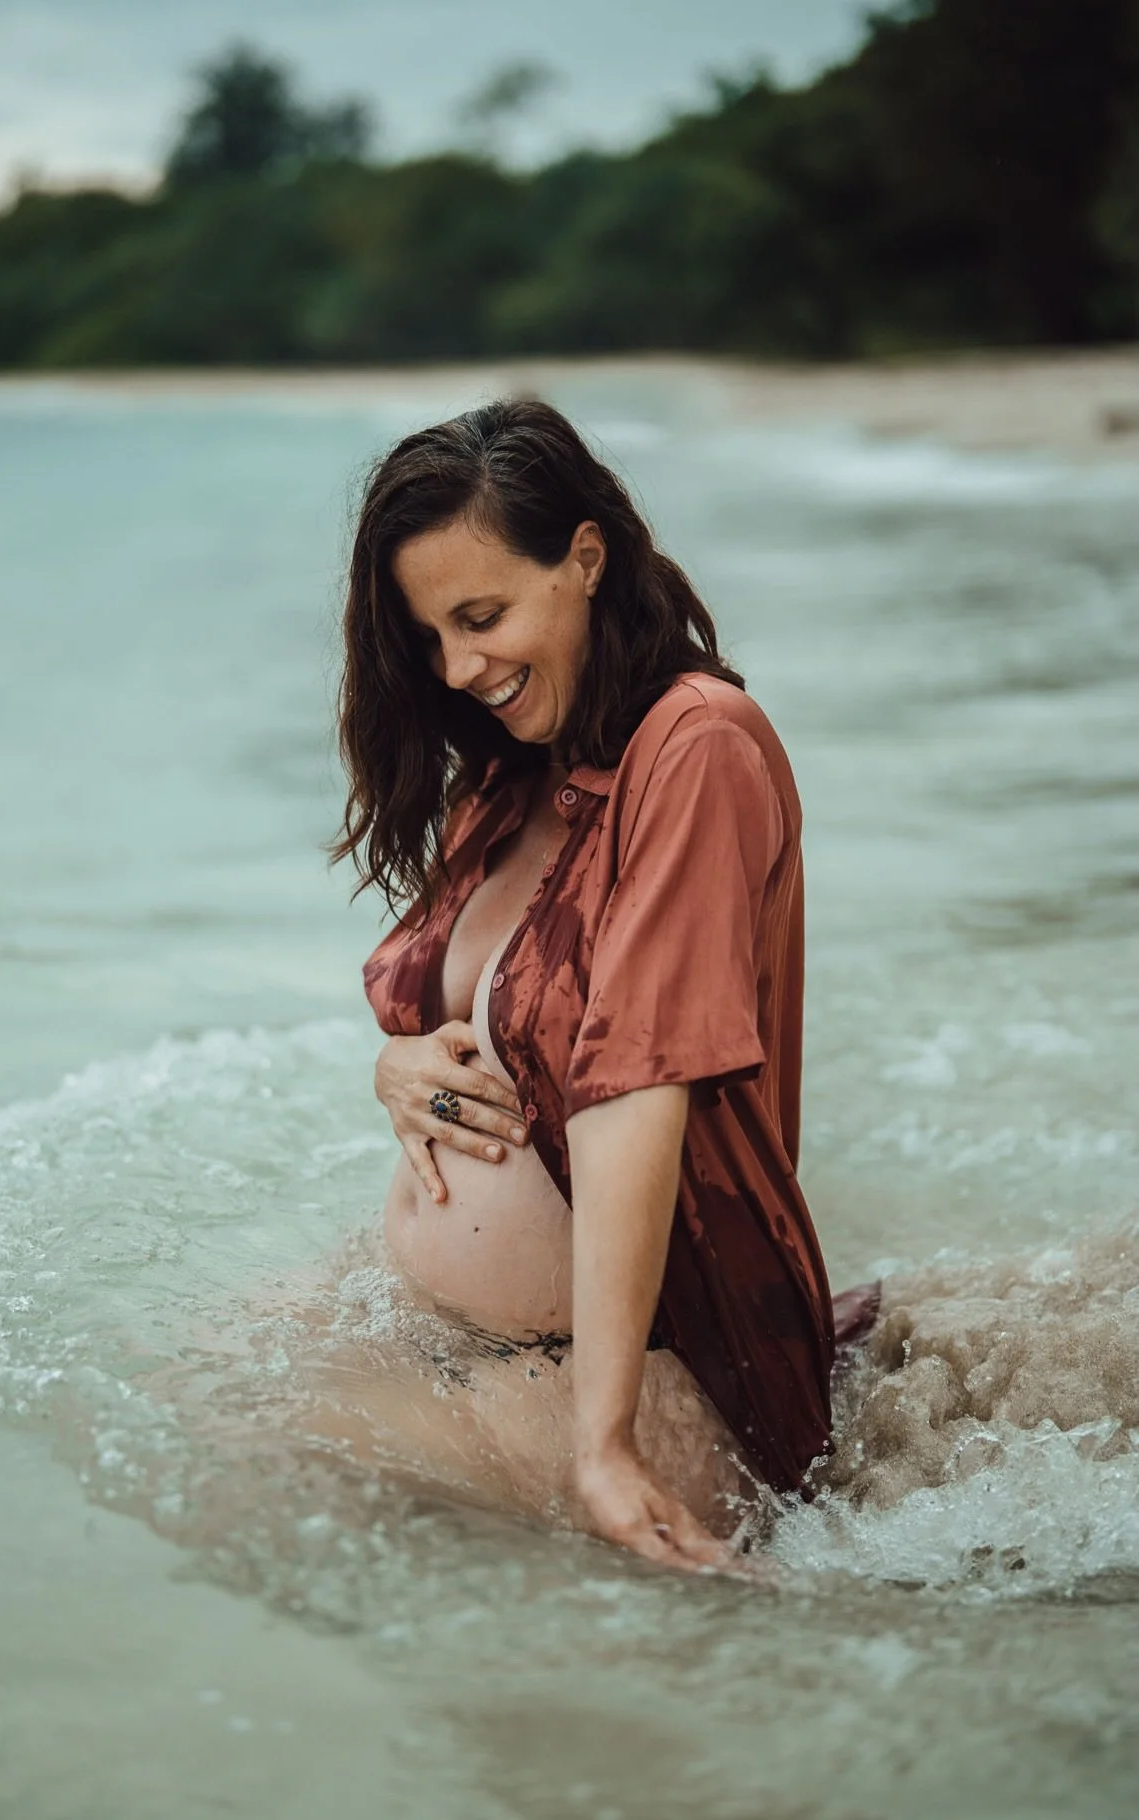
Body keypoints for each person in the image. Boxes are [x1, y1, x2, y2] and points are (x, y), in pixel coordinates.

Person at [331, 398, 876, 1575]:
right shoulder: (512, 772)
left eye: (482, 616)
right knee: (150, 1385)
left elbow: (638, 1083)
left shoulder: (699, 745)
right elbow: (460, 1017)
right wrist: (397, 1067)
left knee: (267, 1466)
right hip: (478, 1339)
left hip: (665, 1367)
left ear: (585, 556)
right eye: (430, 637)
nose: (459, 666)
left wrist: (606, 1441)